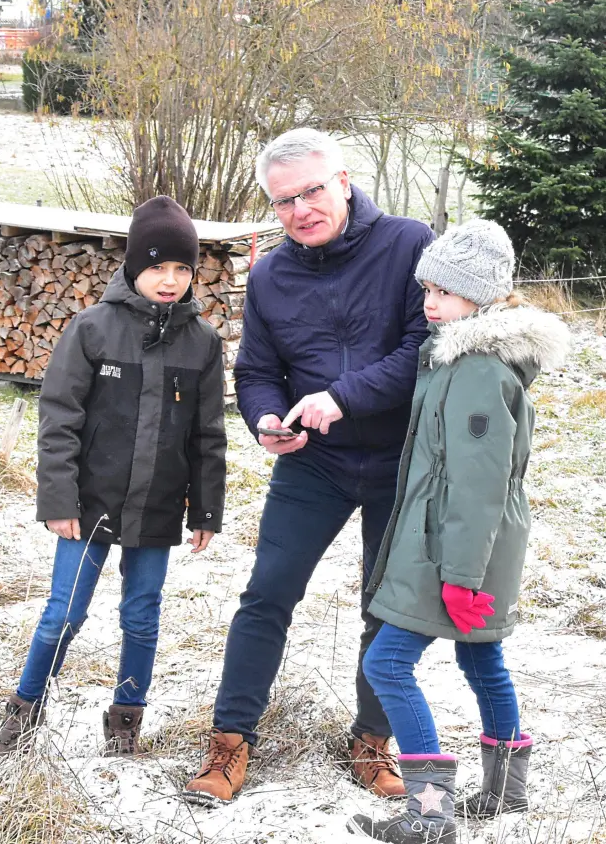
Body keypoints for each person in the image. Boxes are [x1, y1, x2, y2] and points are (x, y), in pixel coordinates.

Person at [184, 129, 433, 805]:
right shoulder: (270, 275)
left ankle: (371, 744)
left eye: (312, 191)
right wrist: (264, 420)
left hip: (401, 461)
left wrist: (342, 397)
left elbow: (425, 348)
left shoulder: (410, 244)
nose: (300, 210)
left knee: (386, 608)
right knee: (266, 597)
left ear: (344, 181)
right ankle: (229, 744)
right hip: (313, 465)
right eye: (284, 200)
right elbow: (258, 372)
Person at [0, 195, 228, 757]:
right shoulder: (92, 328)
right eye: (158, 267)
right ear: (134, 267)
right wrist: (57, 499)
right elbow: (59, 419)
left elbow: (208, 434)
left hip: (159, 506)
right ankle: (24, 710)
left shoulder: (203, 342)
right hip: (88, 504)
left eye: (182, 269)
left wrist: (206, 509)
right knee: (63, 614)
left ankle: (125, 720)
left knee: (142, 615)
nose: (170, 280)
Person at [347, 220, 569, 844]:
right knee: (482, 657)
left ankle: (428, 810)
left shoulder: (476, 370)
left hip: (451, 549)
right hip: (461, 545)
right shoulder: (456, 358)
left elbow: (478, 484)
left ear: (482, 296)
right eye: (426, 290)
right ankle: (504, 791)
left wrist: (461, 576)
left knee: (388, 662)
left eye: (444, 292)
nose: (430, 304)